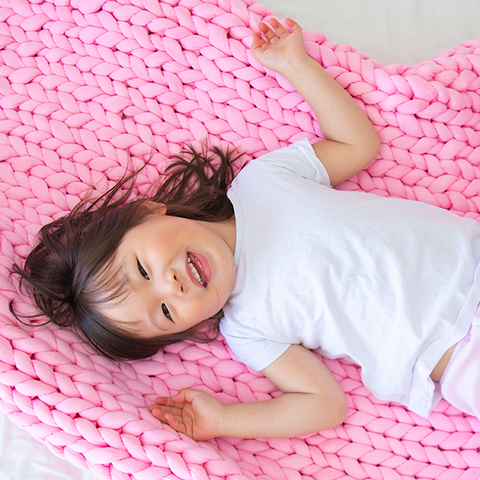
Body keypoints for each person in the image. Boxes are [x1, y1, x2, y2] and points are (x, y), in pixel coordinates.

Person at [11, 18, 480, 441]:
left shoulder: (261, 184)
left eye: (141, 269)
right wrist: (224, 421)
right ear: (189, 329)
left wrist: (296, 66)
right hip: (457, 356)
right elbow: (324, 404)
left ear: (147, 211)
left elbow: (355, 143)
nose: (171, 287)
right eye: (167, 312)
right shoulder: (250, 330)